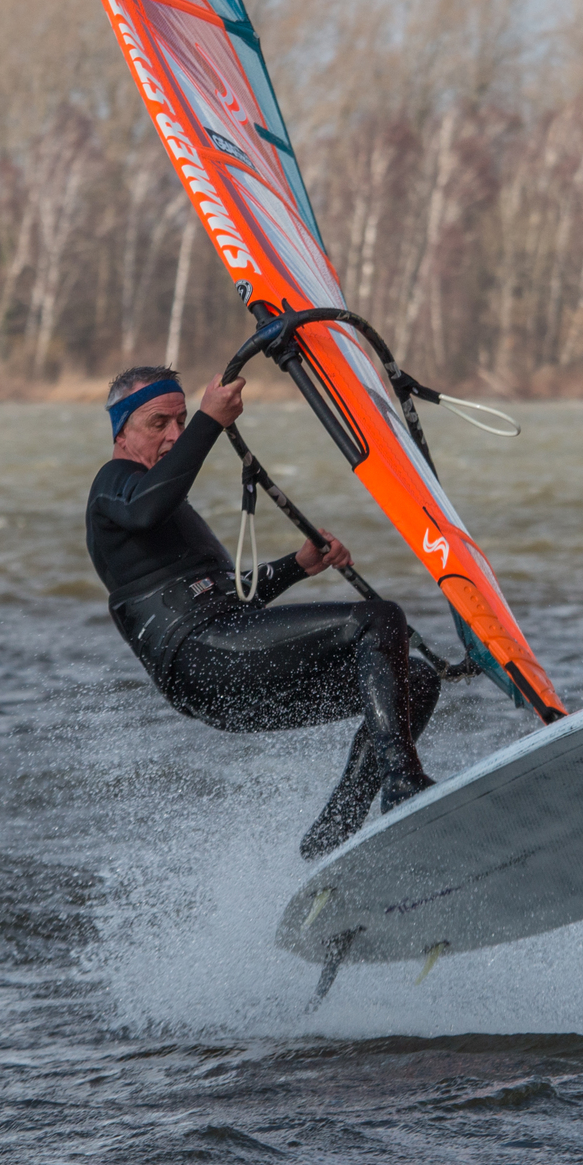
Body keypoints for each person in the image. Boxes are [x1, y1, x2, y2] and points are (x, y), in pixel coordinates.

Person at [84, 362, 439, 859]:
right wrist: (209, 421)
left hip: (232, 675)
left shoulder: (163, 506)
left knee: (414, 680)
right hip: (203, 660)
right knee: (379, 619)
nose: (174, 435)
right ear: (121, 432)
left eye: (181, 420)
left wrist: (298, 566)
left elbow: (229, 597)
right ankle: (403, 784)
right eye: (157, 423)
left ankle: (331, 838)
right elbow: (146, 508)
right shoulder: (115, 484)